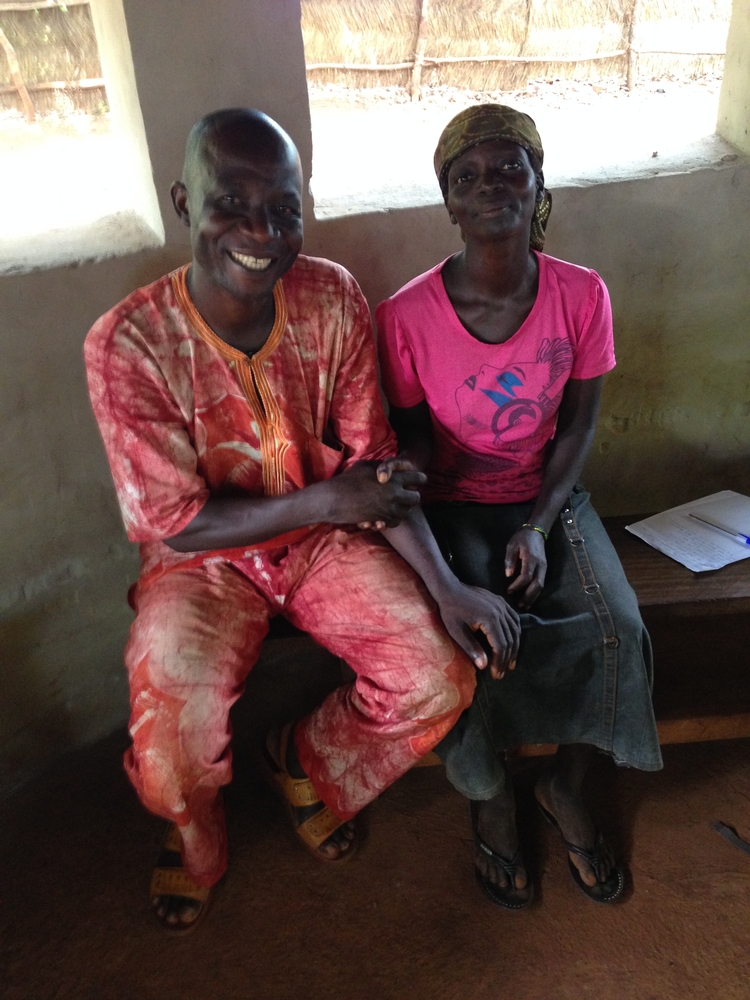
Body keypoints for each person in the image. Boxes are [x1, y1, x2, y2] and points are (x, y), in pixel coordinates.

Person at [84, 107, 521, 932]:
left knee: (439, 676)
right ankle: (196, 834)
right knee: (169, 748)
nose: (261, 230)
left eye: (283, 207)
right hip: (202, 564)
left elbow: (374, 469)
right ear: (184, 202)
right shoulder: (128, 343)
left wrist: (450, 587)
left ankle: (307, 762)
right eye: (231, 203)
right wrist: (327, 499)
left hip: (326, 546)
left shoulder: (330, 297)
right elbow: (176, 524)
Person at [376, 104, 663, 909]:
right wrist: (404, 477)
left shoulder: (581, 295)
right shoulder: (406, 316)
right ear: (450, 204)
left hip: (545, 496)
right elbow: (413, 443)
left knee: (620, 630)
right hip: (453, 507)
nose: (491, 184)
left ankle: (566, 787)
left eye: (511, 168)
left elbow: (578, 428)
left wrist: (538, 526)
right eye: (467, 177)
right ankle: (489, 791)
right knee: (470, 643)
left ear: (539, 185)